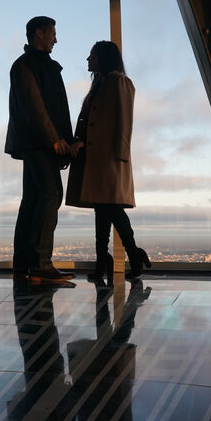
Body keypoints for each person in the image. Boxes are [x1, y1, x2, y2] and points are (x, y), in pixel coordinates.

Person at [66, 40, 151, 283]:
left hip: (111, 158)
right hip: (96, 158)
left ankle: (131, 255)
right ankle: (106, 260)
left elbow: (125, 121)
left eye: (91, 55)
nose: (87, 59)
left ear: (103, 57)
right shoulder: (99, 83)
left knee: (111, 207)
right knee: (102, 209)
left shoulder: (119, 82)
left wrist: (121, 155)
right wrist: (80, 141)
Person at [5, 16, 74, 281]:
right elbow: (34, 108)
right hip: (38, 144)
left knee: (33, 199)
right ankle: (40, 263)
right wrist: (54, 140)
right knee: (51, 194)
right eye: (52, 34)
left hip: (38, 143)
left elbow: (49, 109)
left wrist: (61, 141)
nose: (56, 39)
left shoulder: (35, 65)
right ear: (39, 33)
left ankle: (24, 263)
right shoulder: (27, 66)